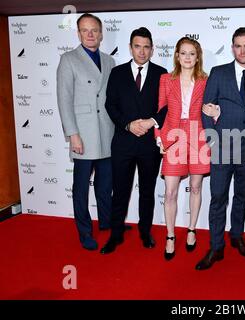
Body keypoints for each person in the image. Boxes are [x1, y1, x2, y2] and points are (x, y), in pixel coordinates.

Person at [196, 27, 245, 270]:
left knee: (242, 194)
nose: (242, 50)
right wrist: (211, 140)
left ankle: (237, 235)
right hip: (221, 146)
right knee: (218, 197)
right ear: (232, 48)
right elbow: (206, 108)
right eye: (238, 46)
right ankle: (216, 246)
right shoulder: (219, 73)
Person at [100, 27, 168, 254]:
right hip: (123, 143)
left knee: (147, 191)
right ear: (130, 47)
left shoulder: (162, 73)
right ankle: (116, 234)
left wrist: (151, 122)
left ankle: (145, 231)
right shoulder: (117, 73)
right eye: (137, 46)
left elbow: (167, 107)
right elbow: (111, 105)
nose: (142, 51)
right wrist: (129, 125)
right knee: (119, 190)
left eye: (146, 47)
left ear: (152, 49)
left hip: (149, 144)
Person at [57, 13, 115, 250]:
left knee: (105, 184)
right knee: (81, 187)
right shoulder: (68, 59)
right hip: (83, 134)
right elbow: (64, 100)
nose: (90, 34)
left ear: (101, 34)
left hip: (107, 132)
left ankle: (107, 222)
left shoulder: (110, 61)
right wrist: (73, 134)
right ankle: (84, 232)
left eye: (94, 30)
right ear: (78, 33)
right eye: (85, 30)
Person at [155, 37, 210, 260]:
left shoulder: (205, 81)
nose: (187, 57)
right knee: (170, 192)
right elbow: (160, 110)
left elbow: (210, 111)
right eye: (183, 53)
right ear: (177, 55)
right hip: (173, 136)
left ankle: (191, 229)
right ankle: (170, 235)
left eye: (192, 53)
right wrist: (160, 140)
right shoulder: (166, 79)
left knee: (196, 187)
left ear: (198, 57)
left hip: (198, 136)